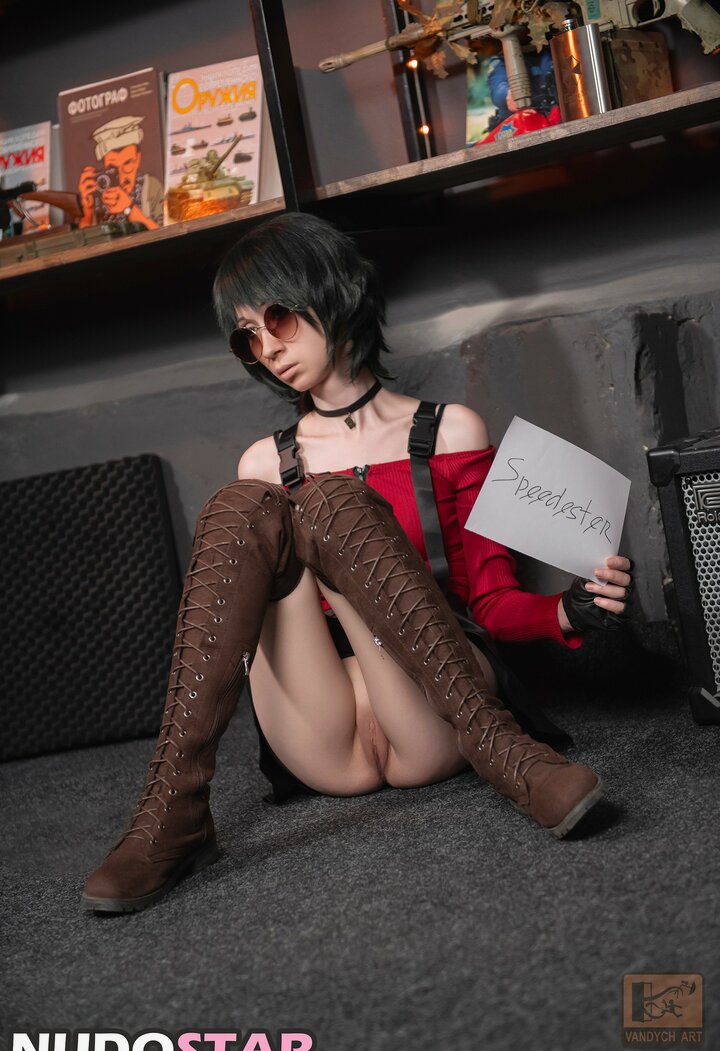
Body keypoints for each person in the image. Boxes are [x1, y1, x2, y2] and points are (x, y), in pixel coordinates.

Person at [82, 213, 633, 914]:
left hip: (433, 705)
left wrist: (568, 611)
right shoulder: (263, 464)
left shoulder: (451, 432)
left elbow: (491, 601)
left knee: (331, 501)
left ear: (330, 290)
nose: (267, 347)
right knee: (241, 506)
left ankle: (505, 750)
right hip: (322, 729)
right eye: (247, 336)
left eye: (278, 317)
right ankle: (172, 810)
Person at [78, 116, 163, 230]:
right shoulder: (98, 192)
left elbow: (163, 233)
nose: (121, 177)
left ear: (138, 159)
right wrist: (87, 212)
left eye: (127, 164)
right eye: (112, 169)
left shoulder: (150, 187)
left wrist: (128, 208)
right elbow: (87, 238)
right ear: (103, 167)